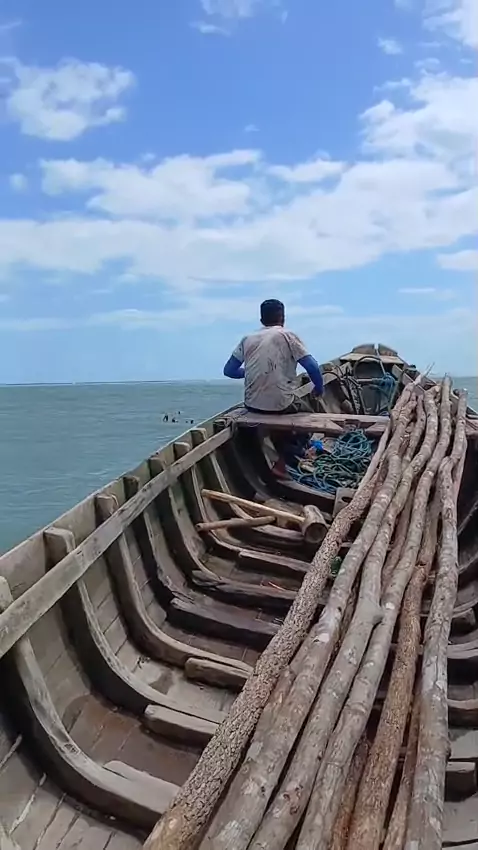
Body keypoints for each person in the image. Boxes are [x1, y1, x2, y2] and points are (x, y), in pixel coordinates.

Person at [223, 299, 323, 476]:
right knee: (308, 416)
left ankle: (279, 450)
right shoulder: (288, 335)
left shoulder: (247, 339)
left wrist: (251, 372)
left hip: (252, 405)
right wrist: (319, 389)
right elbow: (313, 367)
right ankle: (291, 454)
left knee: (279, 414)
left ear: (261, 320)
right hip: (281, 404)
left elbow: (229, 371)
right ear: (282, 318)